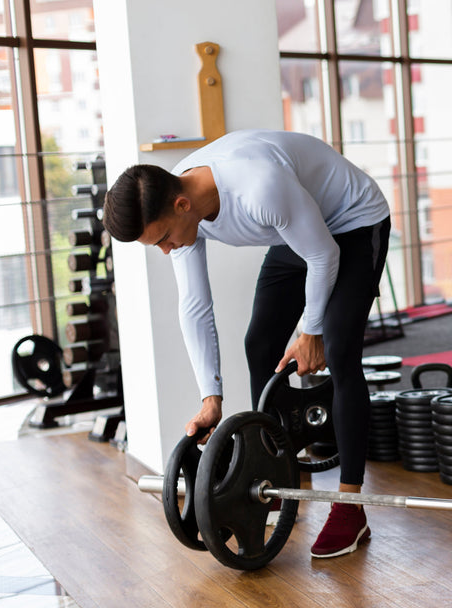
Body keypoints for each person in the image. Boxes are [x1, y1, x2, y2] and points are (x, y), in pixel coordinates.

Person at [102, 129, 390, 559]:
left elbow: (324, 256)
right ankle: (275, 472)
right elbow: (195, 307)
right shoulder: (177, 204)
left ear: (182, 205)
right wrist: (210, 397)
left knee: (339, 348)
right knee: (260, 345)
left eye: (162, 238)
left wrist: (311, 332)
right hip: (300, 229)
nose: (165, 250)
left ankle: (350, 508)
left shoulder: (258, 188)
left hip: (352, 219)